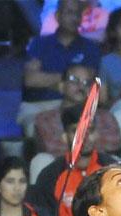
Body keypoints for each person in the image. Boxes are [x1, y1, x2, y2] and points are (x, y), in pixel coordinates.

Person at [31, 104, 118, 216]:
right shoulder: (49, 176)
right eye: (76, 131)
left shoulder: (113, 170)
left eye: (89, 131)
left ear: (96, 134)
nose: (85, 137)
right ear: (65, 137)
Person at [18, 0, 101, 137]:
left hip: (77, 106)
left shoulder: (90, 48)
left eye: (77, 14)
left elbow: (88, 83)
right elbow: (31, 80)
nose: (74, 18)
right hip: (39, 105)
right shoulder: (39, 43)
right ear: (57, 16)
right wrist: (70, 79)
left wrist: (48, 79)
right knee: (37, 129)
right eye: (69, 13)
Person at [31, 63, 121, 182]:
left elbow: (114, 143)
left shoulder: (105, 116)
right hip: (60, 172)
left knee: (115, 162)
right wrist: (89, 143)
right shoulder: (45, 118)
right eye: (74, 80)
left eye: (86, 82)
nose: (81, 86)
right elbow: (51, 147)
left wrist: (75, 144)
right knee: (41, 160)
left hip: (97, 171)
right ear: (61, 86)